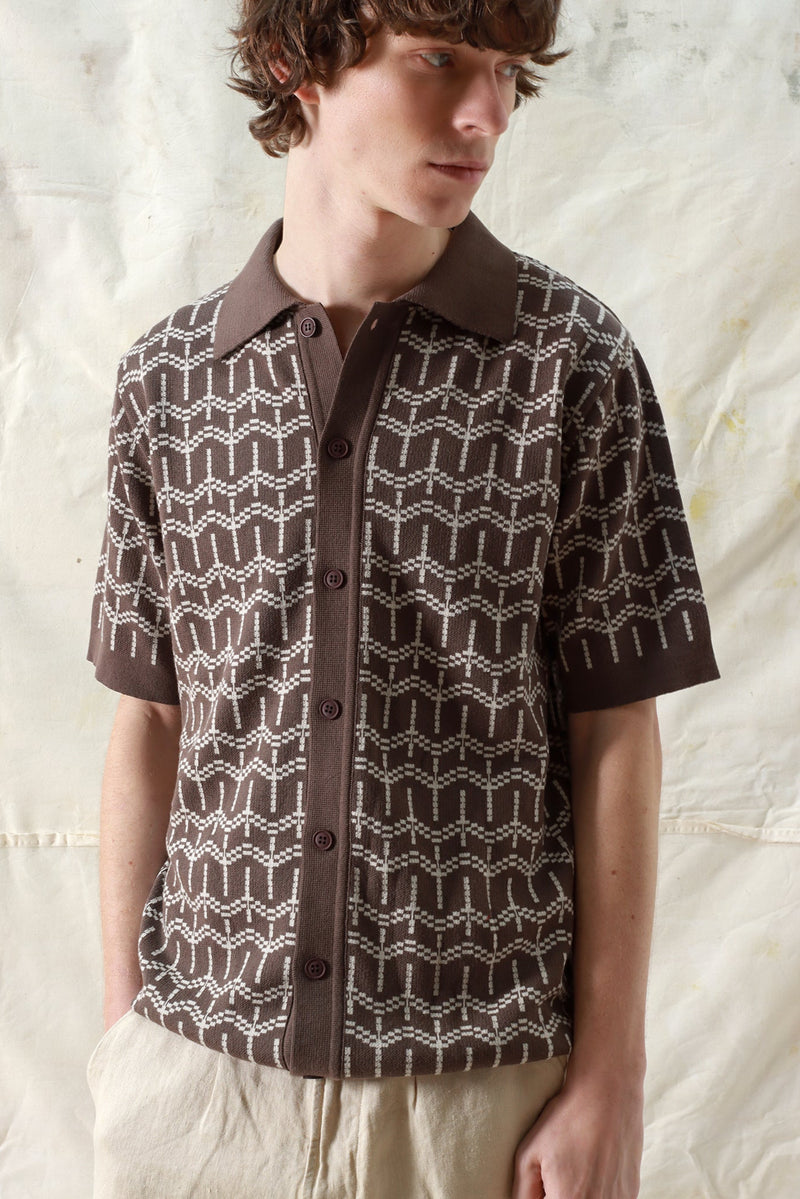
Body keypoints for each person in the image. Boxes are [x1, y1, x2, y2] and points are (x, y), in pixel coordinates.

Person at [84, 2, 720, 1196]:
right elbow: (151, 719)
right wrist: (127, 1034)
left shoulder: (571, 364)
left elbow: (614, 729)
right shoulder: (170, 381)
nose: (486, 115)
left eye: (505, 73)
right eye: (437, 62)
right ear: (297, 64)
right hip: (198, 1085)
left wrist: (609, 1075)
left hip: (474, 1093)